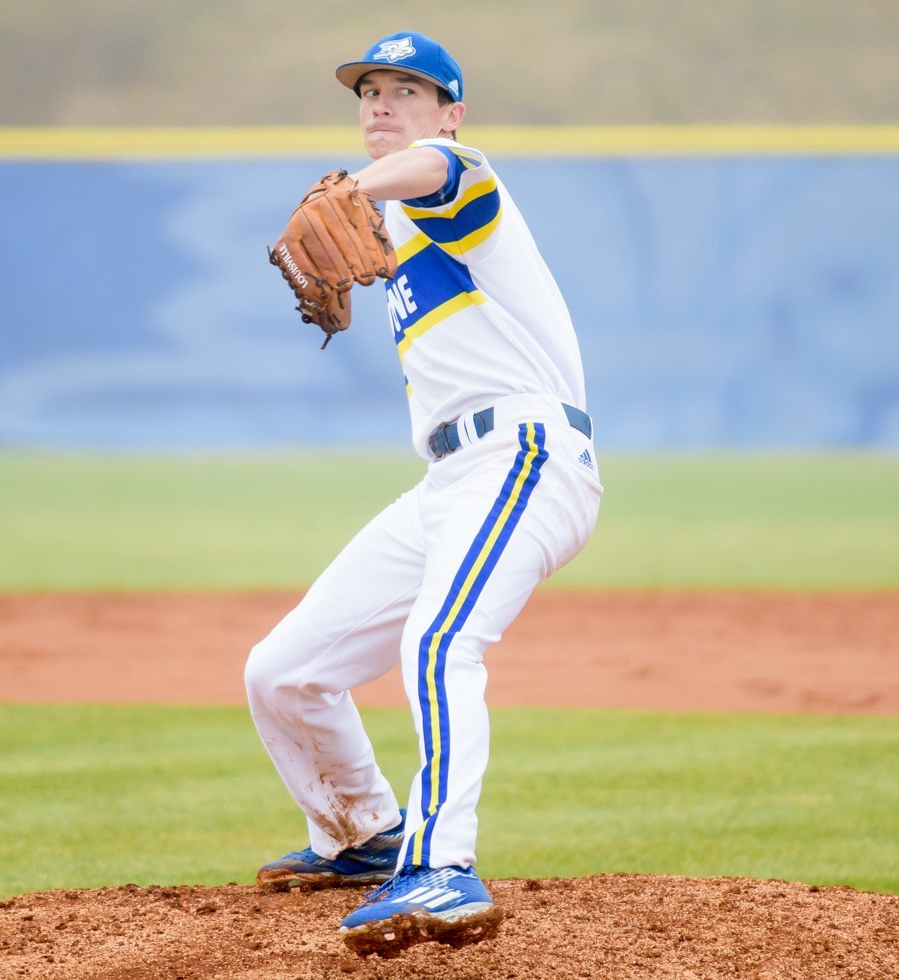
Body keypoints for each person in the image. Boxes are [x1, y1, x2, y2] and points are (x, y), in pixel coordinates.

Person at [243, 30, 603, 957]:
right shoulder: (393, 230)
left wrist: (353, 188)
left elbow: (446, 166)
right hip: (450, 478)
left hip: (526, 453)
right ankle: (366, 835)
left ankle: (444, 870)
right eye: (368, 91)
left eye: (407, 89)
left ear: (449, 109)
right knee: (282, 672)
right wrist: (365, 200)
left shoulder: (461, 187)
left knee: (439, 643)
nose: (381, 104)